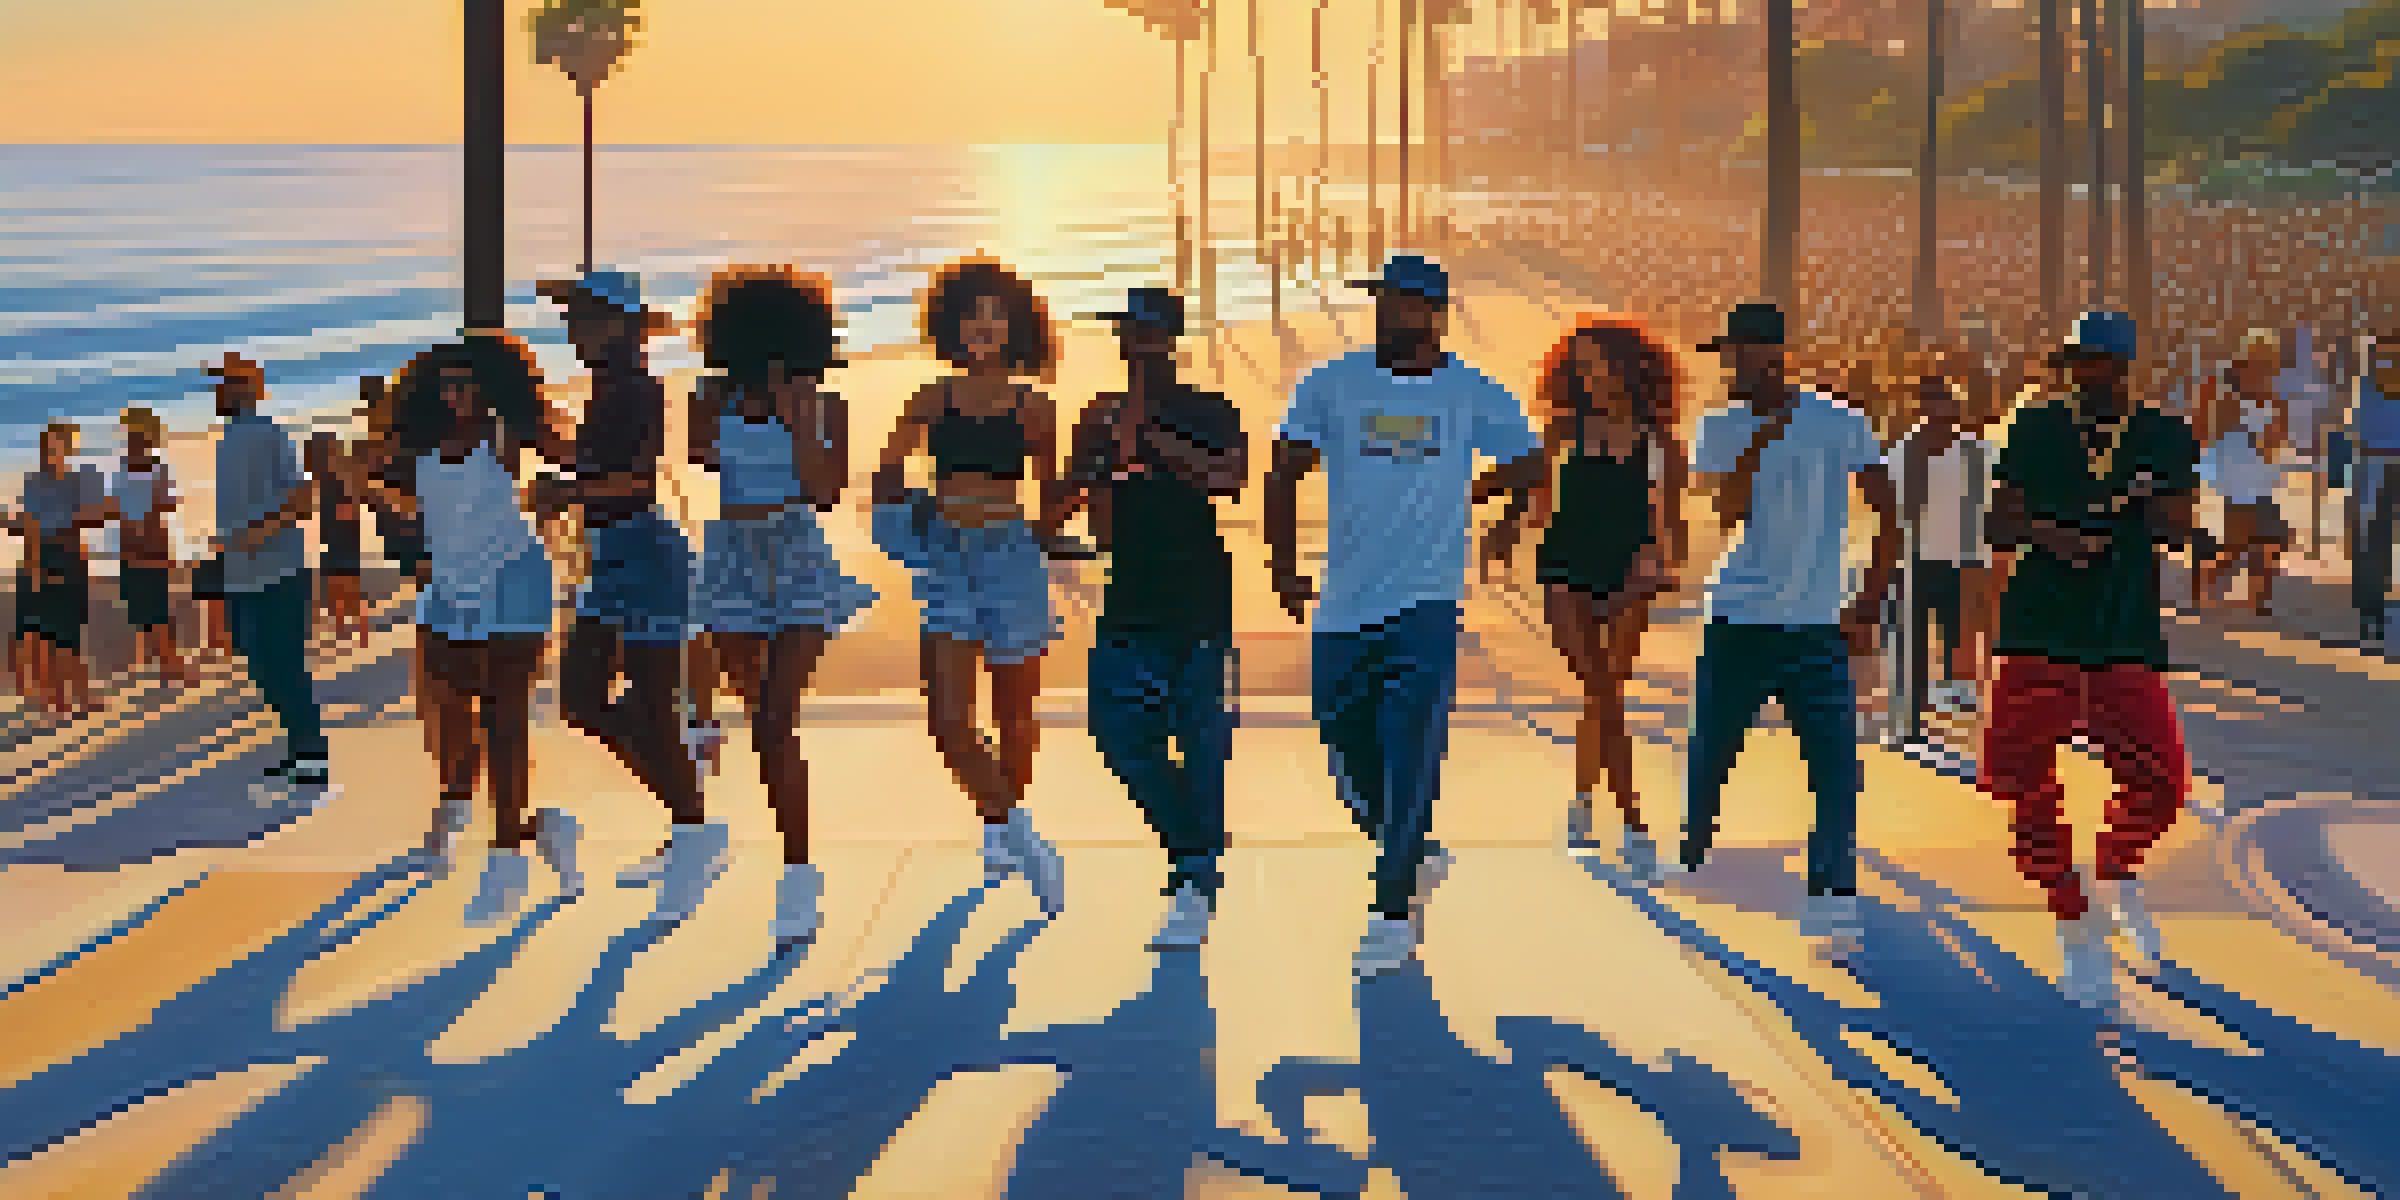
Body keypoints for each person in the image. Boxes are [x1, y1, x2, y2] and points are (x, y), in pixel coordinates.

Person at [1267, 254, 1546, 978]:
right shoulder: (1330, 385)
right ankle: (1412, 849)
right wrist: (1283, 564)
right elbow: (1284, 467)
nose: (1391, 314)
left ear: (1434, 313)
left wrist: (1487, 502)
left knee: (1412, 749)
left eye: (1405, 304)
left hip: (1427, 601)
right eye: (1384, 302)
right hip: (1343, 602)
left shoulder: (1471, 393)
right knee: (1344, 747)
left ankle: (1391, 909)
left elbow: (1530, 461)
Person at [1981, 311, 2202, 1016]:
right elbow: (1998, 523)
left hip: (2120, 628)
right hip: (2038, 622)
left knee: (2163, 781)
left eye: (2096, 362)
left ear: (2122, 366)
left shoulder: (2164, 433)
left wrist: (2153, 502)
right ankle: (2072, 917)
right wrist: (2055, 535)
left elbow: (2176, 529)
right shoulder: (2036, 425)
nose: (2082, 374)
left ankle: (2115, 863)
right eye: (2075, 362)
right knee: (2023, 781)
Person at [1679, 301, 1901, 965]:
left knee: (1836, 765)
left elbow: (1889, 514)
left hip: (1815, 627)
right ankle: (1693, 842)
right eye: (1724, 354)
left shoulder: (1843, 423)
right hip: (1738, 619)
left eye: (1739, 353)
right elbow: (1725, 515)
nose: (1729, 366)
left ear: (1774, 355)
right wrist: (1756, 447)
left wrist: (1867, 604)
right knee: (1711, 749)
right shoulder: (1719, 428)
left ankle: (1832, 894)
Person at [676, 265, 879, 949]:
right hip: (733, 553)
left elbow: (824, 494)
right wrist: (748, 401)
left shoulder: (826, 406)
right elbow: (701, 451)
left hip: (794, 554)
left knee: (772, 721)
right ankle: (757, 838)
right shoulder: (709, 397)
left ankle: (798, 874)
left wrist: (797, 422)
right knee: (757, 713)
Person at [1046, 287, 1247, 949]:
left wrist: (1152, 439)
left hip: (1197, 596)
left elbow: (1230, 475)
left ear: (1170, 341)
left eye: (1148, 334)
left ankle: (1193, 880)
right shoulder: (1097, 414)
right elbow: (1071, 494)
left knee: (1201, 745)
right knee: (1116, 734)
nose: (1137, 346)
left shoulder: (1207, 409)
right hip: (1129, 593)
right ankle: (1194, 847)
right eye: (1128, 334)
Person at [356, 337, 582, 925]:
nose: (457, 395)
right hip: (451, 591)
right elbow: (422, 513)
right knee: (448, 712)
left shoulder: (503, 438)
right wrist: (367, 488)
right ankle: (536, 826)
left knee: (505, 721)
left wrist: (558, 488)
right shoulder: (425, 447)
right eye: (449, 385)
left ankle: (507, 859)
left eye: (468, 384)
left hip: (513, 585)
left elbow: (580, 458)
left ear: (493, 387)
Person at [868, 257, 1068, 917]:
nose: (984, 326)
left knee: (1014, 715)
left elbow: (1052, 496)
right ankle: (1021, 832)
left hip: (1011, 558)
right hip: (948, 557)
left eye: (996, 314)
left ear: (1016, 327)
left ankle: (996, 827)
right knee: (951, 721)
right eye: (972, 314)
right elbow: (888, 466)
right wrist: (905, 514)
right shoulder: (931, 398)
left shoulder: (1036, 406)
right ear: (952, 324)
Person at [529, 269, 721, 930]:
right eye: (572, 319)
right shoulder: (606, 390)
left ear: (622, 327)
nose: (574, 331)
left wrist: (567, 494)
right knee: (585, 700)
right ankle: (692, 821)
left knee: (647, 709)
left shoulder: (636, 390)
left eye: (586, 318)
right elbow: (593, 469)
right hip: (611, 560)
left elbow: (634, 483)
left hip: (643, 555)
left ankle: (693, 831)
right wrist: (552, 451)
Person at [1479, 315, 1688, 879]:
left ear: (1631, 369)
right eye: (1584, 364)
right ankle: (1632, 821)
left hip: (1630, 577)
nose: (1593, 375)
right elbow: (1526, 495)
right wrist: (1498, 526)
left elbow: (1674, 527)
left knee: (1605, 693)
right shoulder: (1560, 434)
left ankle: (1584, 808)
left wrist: (1664, 565)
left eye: (1604, 363)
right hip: (1565, 571)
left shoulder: (1660, 443)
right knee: (1599, 687)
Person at [207, 353, 331, 786]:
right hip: (243, 575)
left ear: (246, 388)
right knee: (261, 664)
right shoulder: (229, 437)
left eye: (224, 383)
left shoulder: (268, 434)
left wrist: (255, 535)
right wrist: (226, 545)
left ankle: (312, 758)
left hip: (279, 571)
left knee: (284, 666)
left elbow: (302, 499)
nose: (217, 391)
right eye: (217, 383)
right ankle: (301, 752)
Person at [1888, 373, 1996, 719]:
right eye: (1928, 401)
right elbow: (1897, 507)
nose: (1936, 409)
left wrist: (1983, 560)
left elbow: (1989, 507)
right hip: (1916, 557)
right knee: (1911, 639)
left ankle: (1962, 697)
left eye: (1943, 401)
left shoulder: (1976, 451)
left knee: (1960, 636)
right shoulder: (1905, 449)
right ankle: (1909, 713)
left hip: (1964, 560)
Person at [13, 422, 110, 717]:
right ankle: (56, 698)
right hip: (48, 554)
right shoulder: (34, 481)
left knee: (73, 631)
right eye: (51, 445)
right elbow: (30, 525)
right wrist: (34, 567)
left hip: (73, 557)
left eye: (63, 444)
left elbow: (95, 519)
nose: (57, 450)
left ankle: (80, 693)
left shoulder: (79, 479)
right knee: (52, 634)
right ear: (44, 448)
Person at [2197, 334, 2300, 616]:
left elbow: (2276, 440)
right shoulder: (2225, 398)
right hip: (2237, 484)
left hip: (2262, 483)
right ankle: (2207, 578)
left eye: (2269, 366)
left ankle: (2259, 600)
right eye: (2260, 365)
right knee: (2240, 545)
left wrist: (2272, 432)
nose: (2266, 372)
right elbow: (2212, 435)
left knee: (2271, 541)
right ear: (2243, 366)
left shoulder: (2273, 400)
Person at [114, 407, 193, 686]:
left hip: (147, 549)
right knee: (150, 614)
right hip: (140, 550)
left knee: (155, 613)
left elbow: (160, 505)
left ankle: (172, 669)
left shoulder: (146, 467)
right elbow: (155, 506)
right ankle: (170, 669)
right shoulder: (132, 468)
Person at [2354, 333, 2400, 646]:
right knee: (2374, 547)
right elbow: (2364, 432)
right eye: (2382, 355)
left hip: (2382, 468)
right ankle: (2371, 616)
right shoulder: (2368, 388)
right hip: (2376, 470)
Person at [307, 432, 370, 647]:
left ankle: (360, 633)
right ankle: (343, 630)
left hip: (347, 540)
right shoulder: (325, 479)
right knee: (334, 588)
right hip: (333, 539)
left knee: (348, 587)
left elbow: (354, 509)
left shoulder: (342, 477)